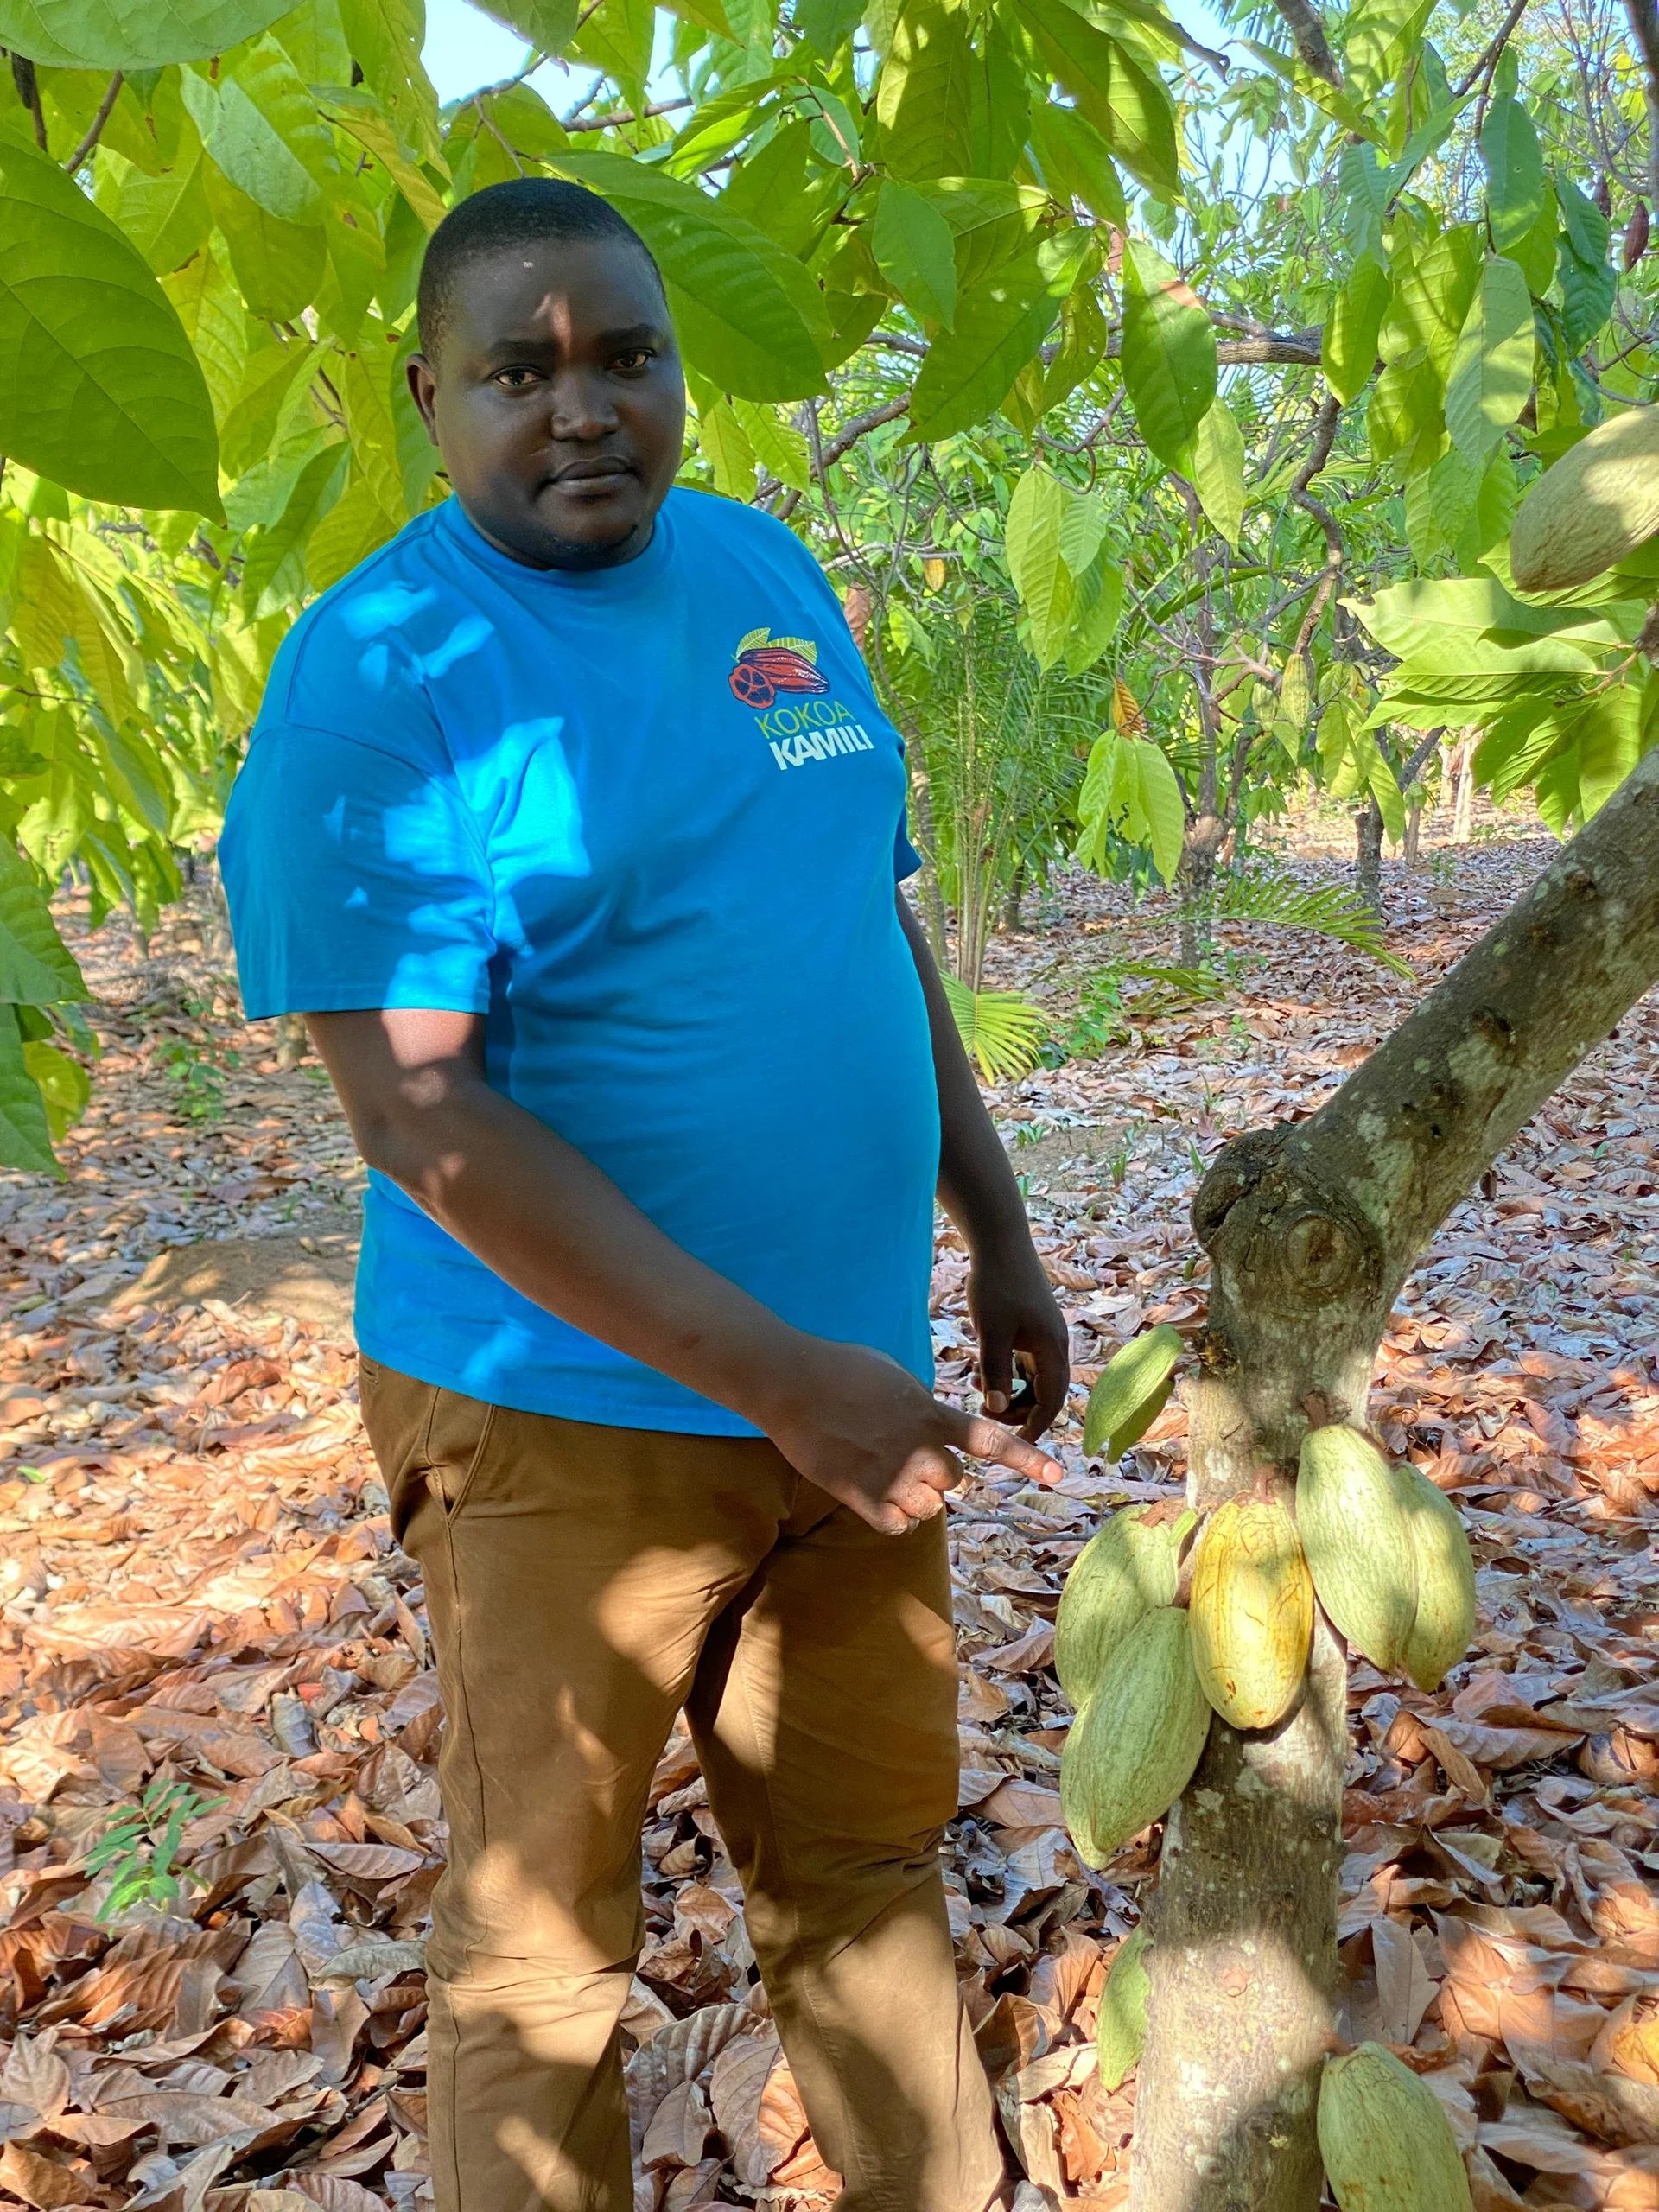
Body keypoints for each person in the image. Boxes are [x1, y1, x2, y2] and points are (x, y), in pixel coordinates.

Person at [219, 176, 1071, 2212]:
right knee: (542, 1957)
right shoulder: (379, 677)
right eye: (521, 368)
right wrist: (782, 1373)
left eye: (627, 355)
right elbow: (426, 1125)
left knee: (866, 1872)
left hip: (844, 1411)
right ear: (433, 396)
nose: (581, 405)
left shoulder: (767, 572)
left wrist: (998, 1217)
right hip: (563, 1429)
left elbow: (861, 916)